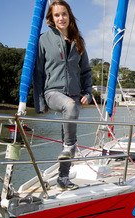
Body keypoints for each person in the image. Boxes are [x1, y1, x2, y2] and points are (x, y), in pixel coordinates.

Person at [33, 0, 93, 190]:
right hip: (52, 92)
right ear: (51, 18)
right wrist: (40, 102)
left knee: (69, 130)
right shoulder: (44, 39)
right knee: (70, 111)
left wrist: (88, 93)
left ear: (70, 16)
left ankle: (63, 178)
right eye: (57, 15)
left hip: (75, 95)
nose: (61, 18)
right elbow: (38, 73)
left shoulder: (78, 41)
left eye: (64, 14)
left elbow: (86, 72)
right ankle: (69, 148)